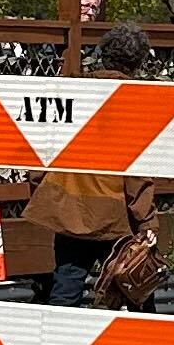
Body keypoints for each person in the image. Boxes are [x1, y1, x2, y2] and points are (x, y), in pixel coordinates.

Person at [22, 22, 158, 305]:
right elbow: (135, 174)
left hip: (70, 208)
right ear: (139, 62)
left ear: (103, 54)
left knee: (66, 286)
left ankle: (60, 332)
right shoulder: (133, 101)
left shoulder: (74, 93)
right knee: (136, 287)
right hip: (115, 215)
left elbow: (43, 150)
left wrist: (44, 193)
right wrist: (147, 222)